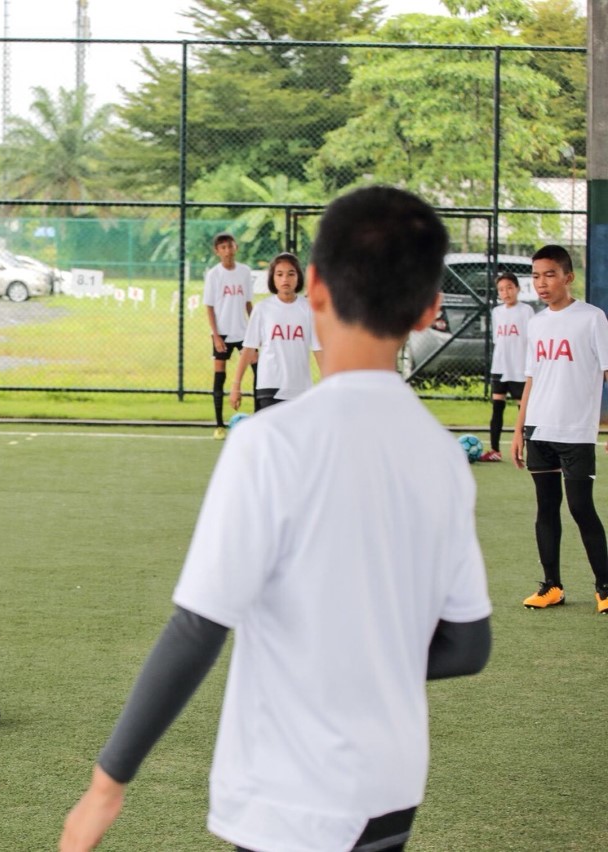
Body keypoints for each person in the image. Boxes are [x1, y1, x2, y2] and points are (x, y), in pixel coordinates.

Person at [61, 186, 492, 852]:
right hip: (392, 787)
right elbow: (468, 646)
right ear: (431, 309)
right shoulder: (443, 456)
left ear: (313, 285)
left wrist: (106, 785)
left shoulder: (270, 442)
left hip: (290, 794)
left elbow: (197, 627)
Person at [509, 245, 608, 614]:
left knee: (582, 508)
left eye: (549, 274)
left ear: (568, 276)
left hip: (576, 431)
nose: (541, 283)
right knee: (546, 508)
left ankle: (605, 587)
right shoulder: (535, 323)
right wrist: (519, 431)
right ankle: (552, 586)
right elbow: (531, 380)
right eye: (535, 276)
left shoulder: (592, 318)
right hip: (540, 428)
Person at [229, 252, 320, 413]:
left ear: (298, 277)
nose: (285, 279)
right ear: (273, 278)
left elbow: (319, 350)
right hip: (269, 386)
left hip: (300, 388)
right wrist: (236, 385)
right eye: (279, 274)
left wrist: (331, 384)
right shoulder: (262, 309)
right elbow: (249, 349)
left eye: (291, 274)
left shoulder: (308, 309)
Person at [203, 232, 254, 439]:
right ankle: (219, 425)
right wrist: (216, 336)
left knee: (259, 372)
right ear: (217, 252)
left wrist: (256, 329)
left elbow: (248, 303)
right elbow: (209, 307)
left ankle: (261, 419)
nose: (227, 251)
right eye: (222, 248)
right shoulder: (214, 275)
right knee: (219, 378)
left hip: (244, 333)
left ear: (236, 247)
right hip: (222, 333)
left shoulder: (244, 272)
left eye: (230, 246)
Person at [479, 271, 533, 462]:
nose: (506, 292)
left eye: (509, 287)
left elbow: (531, 340)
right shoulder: (496, 312)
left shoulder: (526, 311)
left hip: (519, 369)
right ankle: (495, 450)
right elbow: (498, 340)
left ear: (517, 288)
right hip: (500, 368)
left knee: (524, 411)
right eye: (501, 289)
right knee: (497, 408)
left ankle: (530, 450)